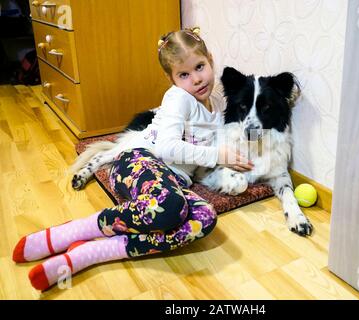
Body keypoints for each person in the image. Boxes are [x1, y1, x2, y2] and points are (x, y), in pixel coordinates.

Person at [12, 27, 254, 291]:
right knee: (172, 207)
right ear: (171, 79)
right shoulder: (178, 98)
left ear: (210, 58)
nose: (196, 79)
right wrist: (218, 155)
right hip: (137, 160)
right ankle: (72, 232)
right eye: (184, 74)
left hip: (172, 180)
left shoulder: (218, 105)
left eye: (200, 66)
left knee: (205, 216)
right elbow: (167, 148)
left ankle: (94, 252)